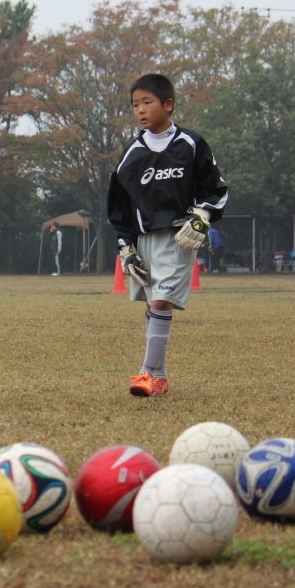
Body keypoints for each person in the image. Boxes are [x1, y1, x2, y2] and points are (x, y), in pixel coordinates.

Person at [107, 73, 228, 398]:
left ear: (168, 104)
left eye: (147, 102)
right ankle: (159, 377)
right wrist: (126, 248)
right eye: (135, 104)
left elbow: (216, 189)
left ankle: (146, 373)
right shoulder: (132, 155)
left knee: (162, 300)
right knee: (152, 303)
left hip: (179, 238)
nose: (140, 110)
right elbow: (119, 207)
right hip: (143, 241)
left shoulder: (190, 144)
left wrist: (202, 215)